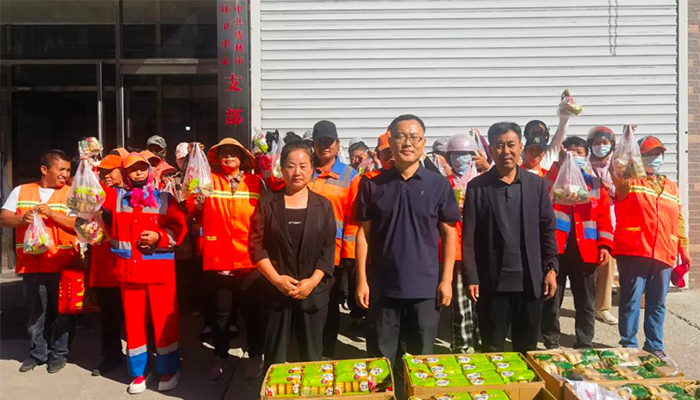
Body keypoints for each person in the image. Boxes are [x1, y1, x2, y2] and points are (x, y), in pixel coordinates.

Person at [355, 114, 460, 368]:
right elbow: (363, 234)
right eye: (401, 137)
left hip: (425, 289)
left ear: (423, 142)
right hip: (383, 288)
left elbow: (449, 234)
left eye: (414, 137)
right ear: (390, 142)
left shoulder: (438, 185)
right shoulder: (372, 185)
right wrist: (361, 280)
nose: (407, 143)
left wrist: (446, 280)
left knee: (420, 361)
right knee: (381, 362)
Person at [463, 122, 559, 353]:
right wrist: (471, 276)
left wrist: (551, 268)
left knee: (527, 349)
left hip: (530, 282)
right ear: (491, 150)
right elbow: (469, 237)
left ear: (520, 147)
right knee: (493, 348)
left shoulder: (536, 185)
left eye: (511, 145)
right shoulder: (477, 187)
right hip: (493, 283)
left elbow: (547, 229)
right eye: (499, 145)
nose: (505, 151)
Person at [100, 152, 187, 394]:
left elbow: (179, 228)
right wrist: (88, 165)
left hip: (159, 272)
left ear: (149, 170)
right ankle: (139, 371)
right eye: (132, 169)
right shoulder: (114, 197)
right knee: (134, 324)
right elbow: (86, 200)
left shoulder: (164, 198)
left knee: (165, 322)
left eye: (142, 168)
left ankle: (169, 368)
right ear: (124, 173)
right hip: (129, 273)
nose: (138, 172)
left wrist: (159, 236)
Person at [250, 140, 336, 367]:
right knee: (275, 356)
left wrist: (313, 281)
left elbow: (329, 249)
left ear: (312, 168)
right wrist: (276, 279)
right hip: (275, 291)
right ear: (282, 168)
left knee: (312, 355)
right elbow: (257, 246)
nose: (297, 172)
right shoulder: (268, 203)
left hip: (313, 291)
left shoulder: (324, 206)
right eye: (290, 166)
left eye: (303, 165)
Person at [188, 138, 266, 381]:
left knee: (253, 315)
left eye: (234, 153)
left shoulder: (256, 182)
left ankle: (256, 355)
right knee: (220, 316)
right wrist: (194, 191)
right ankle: (221, 356)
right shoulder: (207, 181)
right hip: (219, 261)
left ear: (242, 159)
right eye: (224, 153)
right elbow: (191, 208)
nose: (229, 156)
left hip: (249, 261)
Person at [610, 131, 691, 364]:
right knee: (631, 300)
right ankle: (628, 345)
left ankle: (655, 346)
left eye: (658, 154)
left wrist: (683, 249)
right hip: (635, 250)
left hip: (664, 251)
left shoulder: (671, 186)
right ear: (638, 157)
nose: (654, 158)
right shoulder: (628, 181)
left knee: (657, 303)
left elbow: (678, 219)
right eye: (648, 154)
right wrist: (625, 143)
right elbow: (615, 170)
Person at [0, 150, 78, 374]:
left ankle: (60, 353)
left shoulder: (71, 193)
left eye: (68, 170)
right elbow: (3, 218)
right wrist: (20, 218)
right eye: (61, 169)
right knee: (36, 313)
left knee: (64, 313)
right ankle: (38, 353)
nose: (65, 174)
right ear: (44, 170)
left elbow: (79, 224)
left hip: (63, 263)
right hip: (31, 265)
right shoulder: (21, 191)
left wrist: (52, 214)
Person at [540, 137, 614, 349]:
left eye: (579, 152)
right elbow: (544, 192)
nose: (575, 156)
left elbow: (604, 219)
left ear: (586, 156)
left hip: (586, 251)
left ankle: (584, 341)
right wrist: (559, 164)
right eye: (570, 152)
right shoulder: (552, 180)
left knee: (586, 301)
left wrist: (604, 245)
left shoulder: (595, 185)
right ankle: (551, 340)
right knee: (552, 298)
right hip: (557, 250)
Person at [308, 120, 361, 359]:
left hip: (334, 255)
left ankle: (327, 351)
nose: (325, 146)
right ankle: (307, 349)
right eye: (320, 142)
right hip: (303, 250)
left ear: (338, 144)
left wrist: (349, 254)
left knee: (329, 305)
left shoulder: (351, 176)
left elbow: (354, 219)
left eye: (329, 142)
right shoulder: (304, 170)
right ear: (313, 144)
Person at [444, 134, 482, 353]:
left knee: (480, 299)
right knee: (460, 301)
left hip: (479, 248)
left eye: (465, 155)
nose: (460, 159)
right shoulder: (444, 183)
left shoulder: (481, 181)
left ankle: (481, 339)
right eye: (455, 155)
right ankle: (463, 344)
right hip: (456, 249)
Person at [89, 154, 125, 376]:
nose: (106, 175)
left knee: (135, 317)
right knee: (109, 316)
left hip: (129, 265)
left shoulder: (134, 193)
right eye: (102, 172)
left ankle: (142, 359)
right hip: (104, 264)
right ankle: (111, 356)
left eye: (110, 171)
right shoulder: (96, 193)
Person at [587, 126, 619, 325]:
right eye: (596, 143)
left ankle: (603, 307)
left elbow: (626, 189)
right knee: (587, 265)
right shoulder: (584, 164)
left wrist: (608, 188)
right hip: (588, 221)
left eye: (604, 143)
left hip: (610, 222)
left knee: (607, 265)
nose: (600, 146)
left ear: (612, 145)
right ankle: (586, 305)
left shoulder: (617, 164)